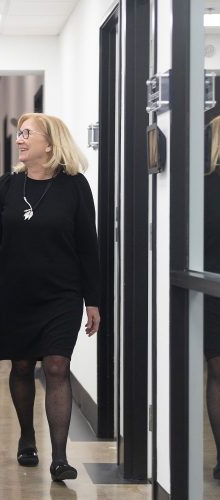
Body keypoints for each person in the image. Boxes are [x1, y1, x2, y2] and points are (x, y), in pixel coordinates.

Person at [0, 113, 100, 482]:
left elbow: (88, 248)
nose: (20, 140)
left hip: (62, 293)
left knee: (58, 367)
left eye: (28, 134)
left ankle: (59, 458)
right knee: (24, 367)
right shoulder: (7, 186)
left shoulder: (75, 186)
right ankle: (27, 436)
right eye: (19, 134)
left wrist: (93, 300)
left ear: (50, 142)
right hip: (17, 291)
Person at [204, 115, 220, 480]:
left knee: (218, 373)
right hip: (212, 293)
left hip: (211, 292)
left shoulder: (203, 188)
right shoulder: (205, 187)